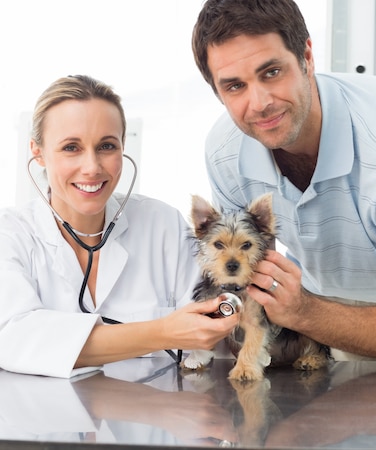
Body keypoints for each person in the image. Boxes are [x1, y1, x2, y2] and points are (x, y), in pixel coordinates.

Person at [191, 0, 376, 363]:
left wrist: (305, 312)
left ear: (307, 57)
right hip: (322, 309)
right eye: (234, 86)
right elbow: (251, 275)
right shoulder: (225, 150)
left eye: (272, 72)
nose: (259, 103)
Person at [0, 75, 238, 377]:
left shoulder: (163, 225)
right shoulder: (10, 235)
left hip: (160, 414)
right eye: (71, 147)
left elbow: (210, 340)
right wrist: (164, 331)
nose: (92, 167)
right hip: (44, 421)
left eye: (106, 146)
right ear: (37, 152)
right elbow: (13, 338)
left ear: (123, 146)